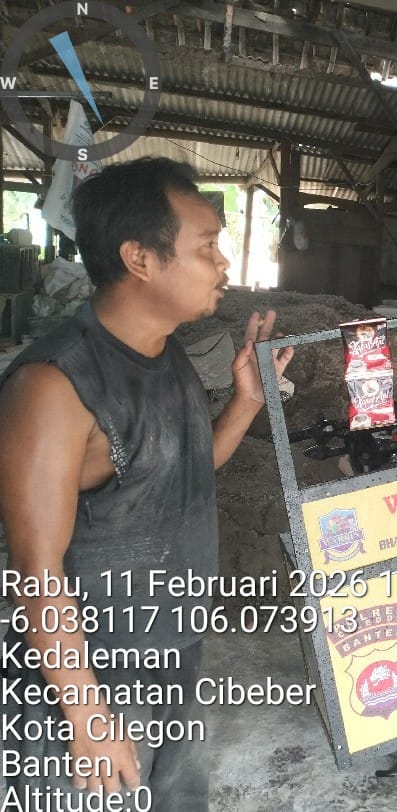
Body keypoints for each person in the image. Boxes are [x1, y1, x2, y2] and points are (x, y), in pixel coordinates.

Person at [0, 158, 293, 810]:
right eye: (206, 246)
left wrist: (246, 401)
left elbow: (177, 472)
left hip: (173, 649)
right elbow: (34, 570)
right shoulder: (54, 386)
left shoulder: (165, 352)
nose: (222, 263)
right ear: (139, 258)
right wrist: (87, 717)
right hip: (91, 671)